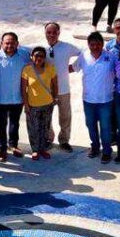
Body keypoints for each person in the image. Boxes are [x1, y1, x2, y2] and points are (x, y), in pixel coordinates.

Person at [73, 32, 115, 163]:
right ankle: (95, 147)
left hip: (106, 100)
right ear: (88, 44)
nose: (95, 46)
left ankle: (107, 151)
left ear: (103, 44)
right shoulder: (83, 56)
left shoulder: (111, 56)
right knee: (90, 125)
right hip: (88, 100)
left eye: (98, 44)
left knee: (106, 127)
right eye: (92, 44)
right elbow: (73, 68)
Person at [0, 33, 29, 161]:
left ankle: (13, 145)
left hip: (17, 97)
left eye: (12, 43)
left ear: (17, 43)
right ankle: (2, 148)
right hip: (0, 97)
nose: (9, 45)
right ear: (1, 43)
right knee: (0, 124)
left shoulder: (23, 55)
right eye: (6, 43)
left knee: (14, 123)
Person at [43, 22, 79, 151]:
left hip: (63, 89)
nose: (51, 35)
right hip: (46, 90)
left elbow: (84, 54)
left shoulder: (67, 47)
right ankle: (48, 138)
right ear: (45, 33)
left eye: (54, 32)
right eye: (49, 32)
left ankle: (64, 140)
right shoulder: (40, 47)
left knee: (65, 116)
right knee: (46, 116)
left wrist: (74, 67)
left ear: (59, 33)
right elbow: (21, 49)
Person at [21, 47, 58, 161]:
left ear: (44, 58)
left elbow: (55, 85)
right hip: (33, 105)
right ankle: (35, 150)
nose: (39, 58)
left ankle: (43, 149)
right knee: (33, 128)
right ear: (32, 56)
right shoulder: (27, 70)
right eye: (36, 55)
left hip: (47, 104)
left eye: (41, 56)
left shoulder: (50, 68)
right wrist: (26, 105)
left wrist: (55, 98)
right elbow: (23, 89)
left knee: (45, 127)